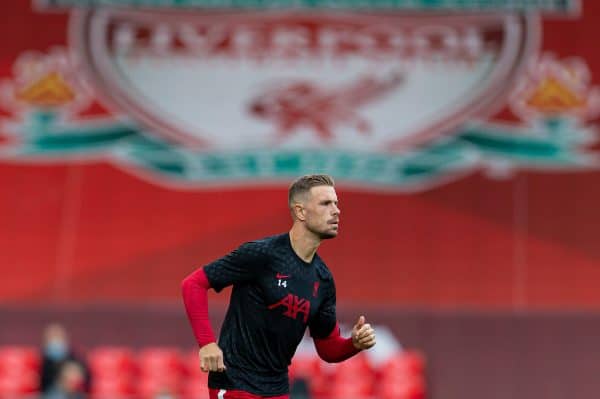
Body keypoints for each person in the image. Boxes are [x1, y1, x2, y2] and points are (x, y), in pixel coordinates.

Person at [181, 174, 376, 399]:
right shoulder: (262, 254)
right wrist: (206, 344)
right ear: (301, 211)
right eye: (325, 203)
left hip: (277, 390)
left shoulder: (323, 280)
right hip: (235, 383)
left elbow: (328, 348)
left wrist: (354, 343)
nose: (336, 211)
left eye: (336, 203)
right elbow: (193, 284)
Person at [39, 323, 91, 394]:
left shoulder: (75, 358)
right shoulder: (40, 361)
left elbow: (86, 378)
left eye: (57, 336)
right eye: (52, 337)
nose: (55, 341)